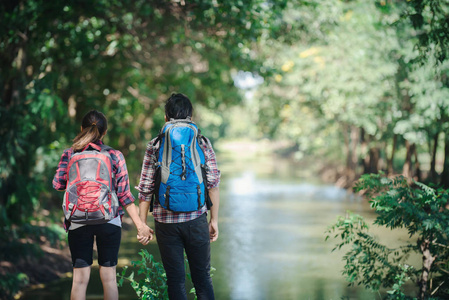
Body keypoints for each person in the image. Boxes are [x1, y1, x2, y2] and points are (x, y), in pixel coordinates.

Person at [52, 110, 153, 300]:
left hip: (77, 220)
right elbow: (124, 195)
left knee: (79, 280)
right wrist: (141, 225)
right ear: (104, 132)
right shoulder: (114, 155)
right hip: (109, 220)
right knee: (109, 279)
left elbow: (58, 184)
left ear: (82, 129)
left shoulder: (69, 153)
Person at [137, 93, 220, 300]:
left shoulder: (155, 144)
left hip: (165, 222)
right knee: (202, 278)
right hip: (196, 219)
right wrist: (214, 220)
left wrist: (142, 224)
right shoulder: (202, 142)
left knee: (175, 280)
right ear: (191, 116)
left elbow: (146, 188)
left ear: (166, 117)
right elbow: (213, 185)